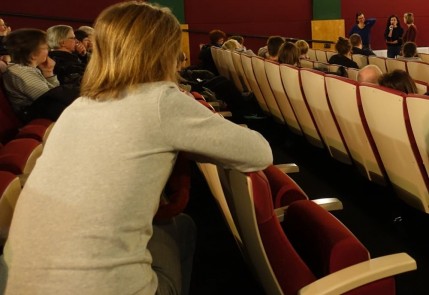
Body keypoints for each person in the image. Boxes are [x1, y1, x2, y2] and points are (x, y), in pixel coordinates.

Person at [0, 2, 273, 295]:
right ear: (166, 51)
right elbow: (259, 153)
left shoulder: (78, 106)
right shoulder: (159, 100)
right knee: (183, 227)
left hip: (18, 283)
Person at [2, 28, 78, 121]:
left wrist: (48, 72)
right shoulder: (20, 73)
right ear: (33, 54)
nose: (48, 52)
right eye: (46, 48)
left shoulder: (28, 69)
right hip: (34, 119)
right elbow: (51, 99)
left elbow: (53, 94)